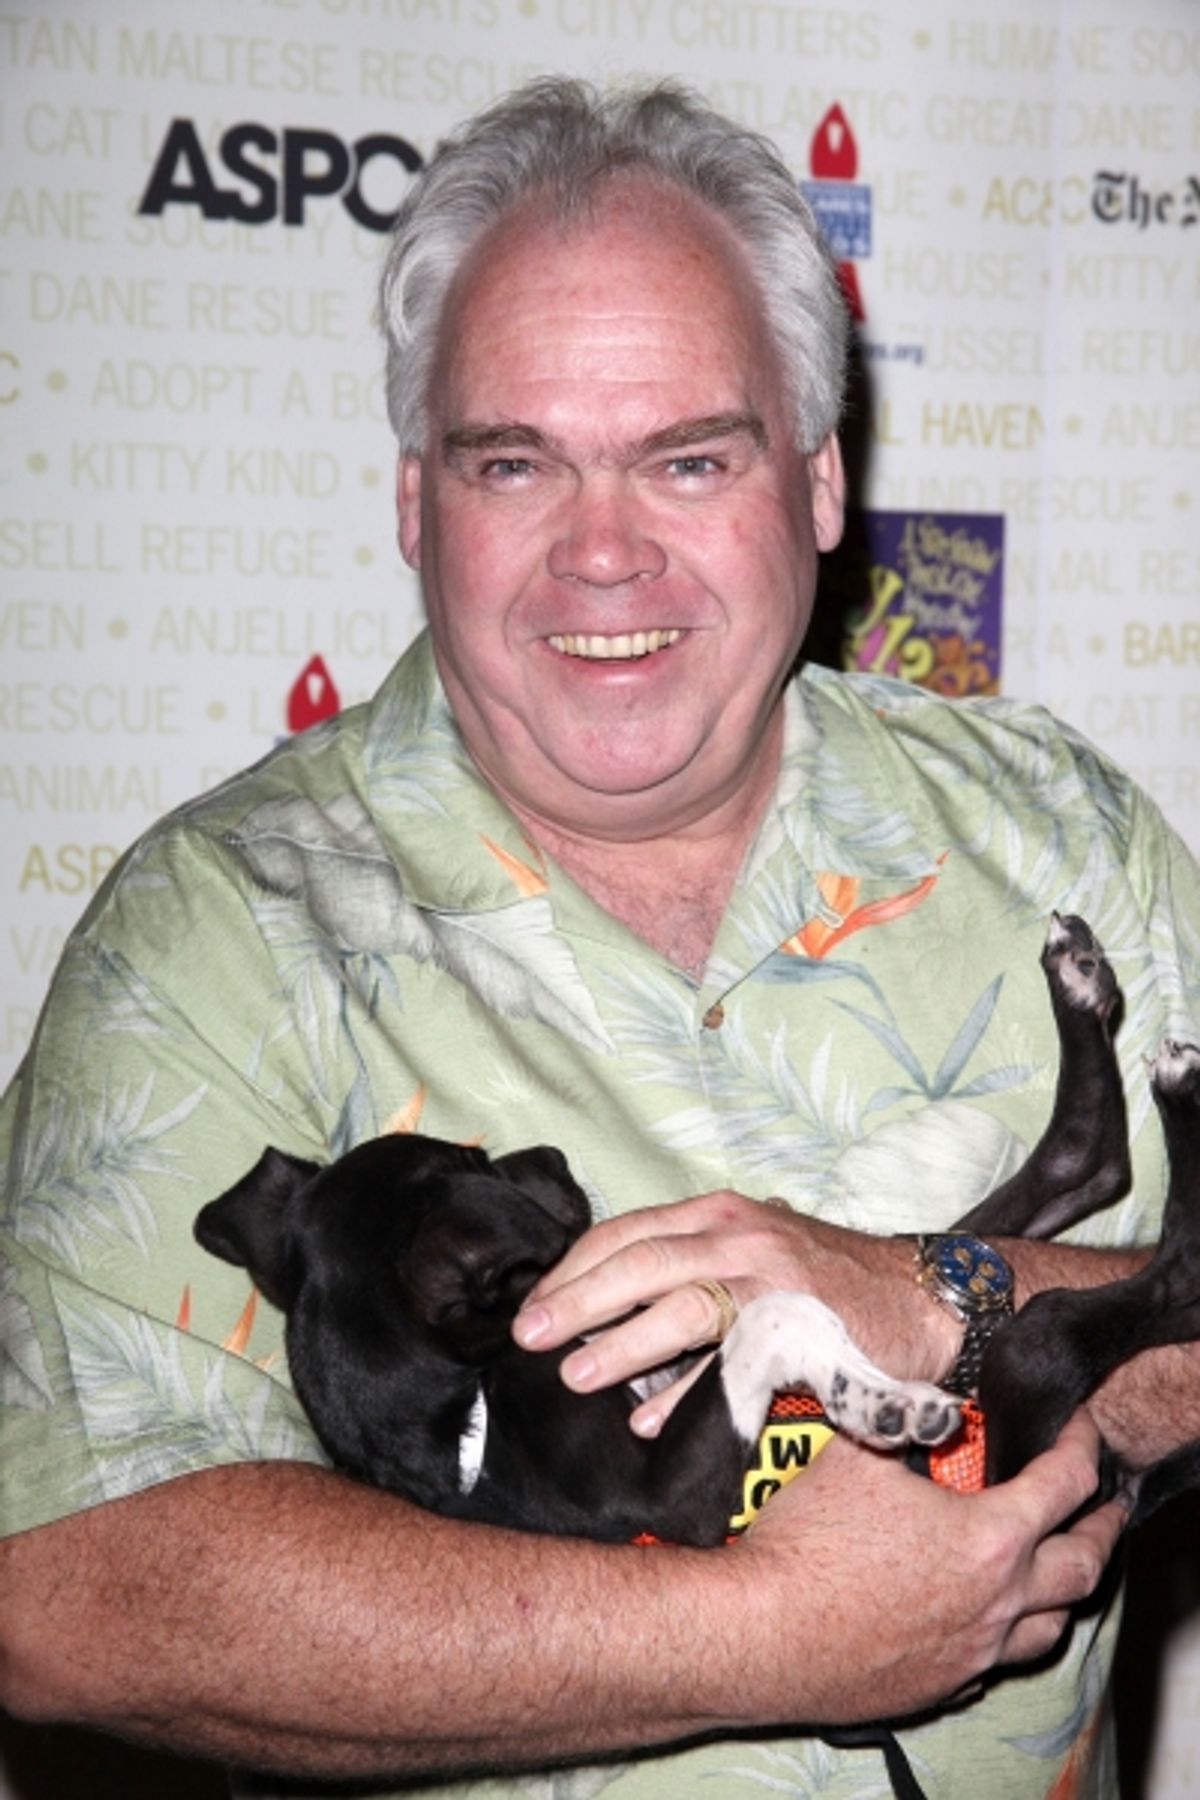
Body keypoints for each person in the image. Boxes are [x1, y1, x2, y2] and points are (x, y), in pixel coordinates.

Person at [1, 76, 1197, 1800]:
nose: (605, 554)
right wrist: (765, 1634)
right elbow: (69, 1581)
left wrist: (933, 1297)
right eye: (518, 463)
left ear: (819, 483)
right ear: (419, 505)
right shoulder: (217, 933)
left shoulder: (1057, 828)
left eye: (688, 458)